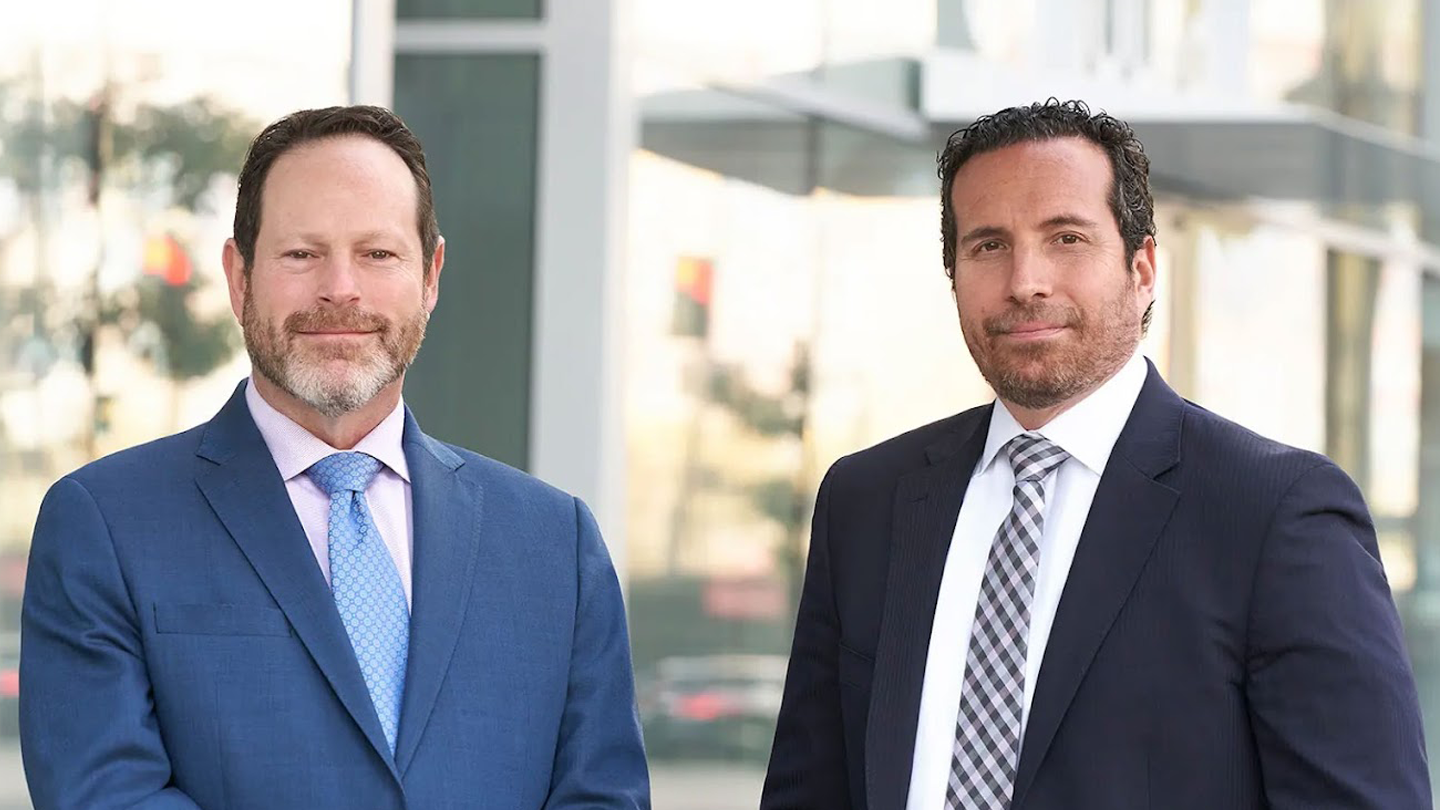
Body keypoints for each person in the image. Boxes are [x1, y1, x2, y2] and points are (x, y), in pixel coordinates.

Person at [761, 99, 1430, 810]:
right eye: (988, 245)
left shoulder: (1276, 515)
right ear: (954, 274)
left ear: (1142, 269)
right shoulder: (867, 501)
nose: (1026, 281)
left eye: (1067, 238)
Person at [20, 105, 649, 810]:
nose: (340, 287)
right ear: (239, 276)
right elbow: (108, 796)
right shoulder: (106, 525)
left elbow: (601, 796)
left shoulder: (555, 544)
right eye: (301, 254)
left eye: (378, 254)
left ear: (431, 275)